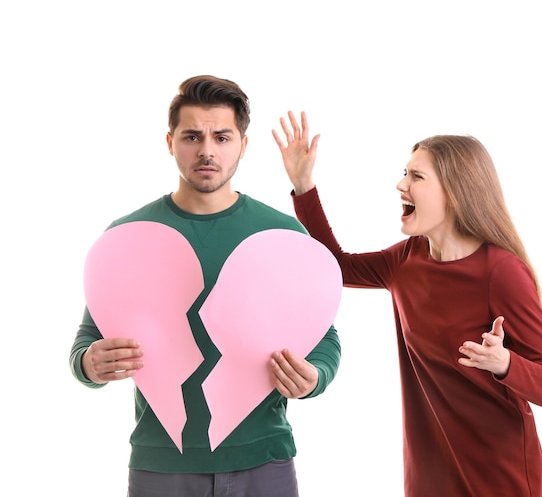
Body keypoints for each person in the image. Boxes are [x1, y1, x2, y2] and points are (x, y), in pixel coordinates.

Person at [272, 111, 542, 497]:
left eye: (416, 177)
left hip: (499, 478)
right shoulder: (406, 260)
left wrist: (505, 363)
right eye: (405, 173)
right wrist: (303, 185)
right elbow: (336, 266)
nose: (401, 184)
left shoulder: (501, 272)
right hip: (430, 476)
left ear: (455, 191)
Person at [69, 77, 341, 497]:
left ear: (243, 146)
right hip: (162, 463)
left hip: (264, 457)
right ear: (170, 142)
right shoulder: (128, 236)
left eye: (222, 136)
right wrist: (89, 365)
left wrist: (315, 378)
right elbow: (87, 341)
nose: (207, 150)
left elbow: (324, 336)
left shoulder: (282, 233)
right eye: (192, 136)